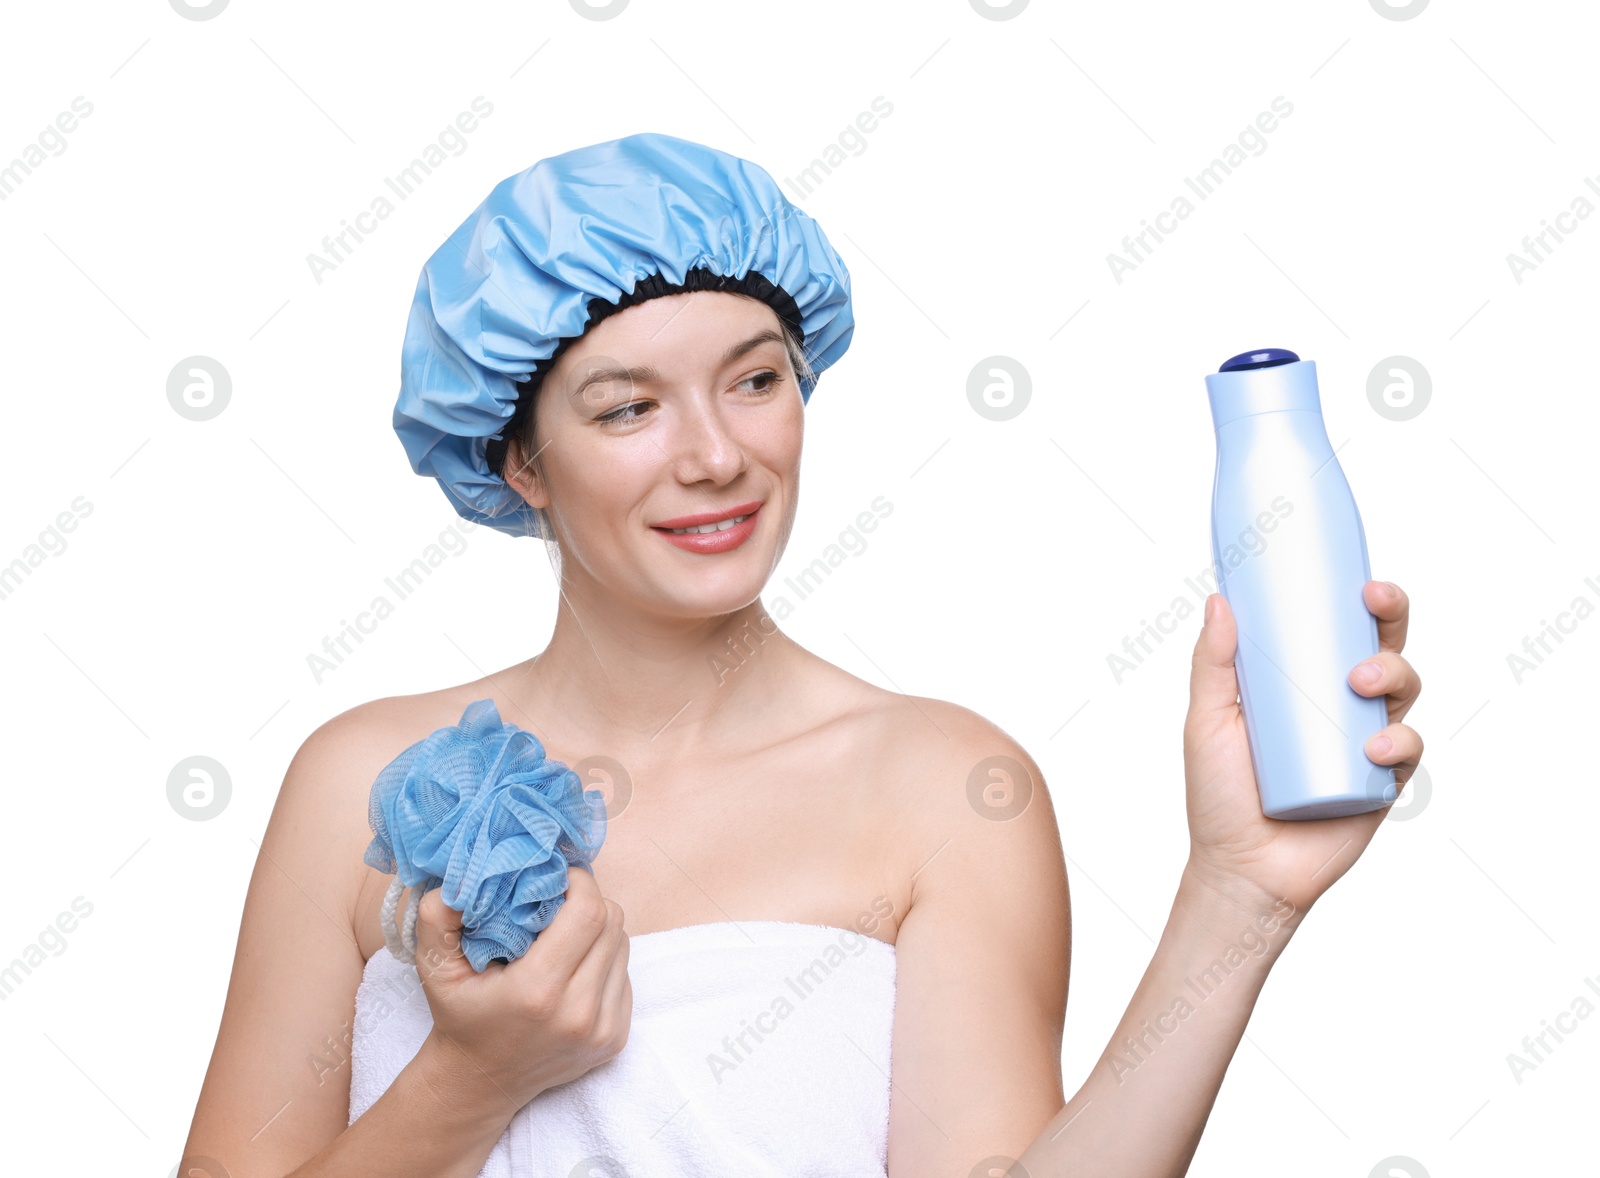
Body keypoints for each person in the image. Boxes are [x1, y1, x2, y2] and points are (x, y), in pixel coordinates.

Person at [179, 133, 1425, 1178]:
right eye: (627, 407)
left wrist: (1237, 898)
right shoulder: (356, 779)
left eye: (755, 379)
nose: (717, 454)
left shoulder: (943, 784)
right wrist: (468, 1081)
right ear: (517, 460)